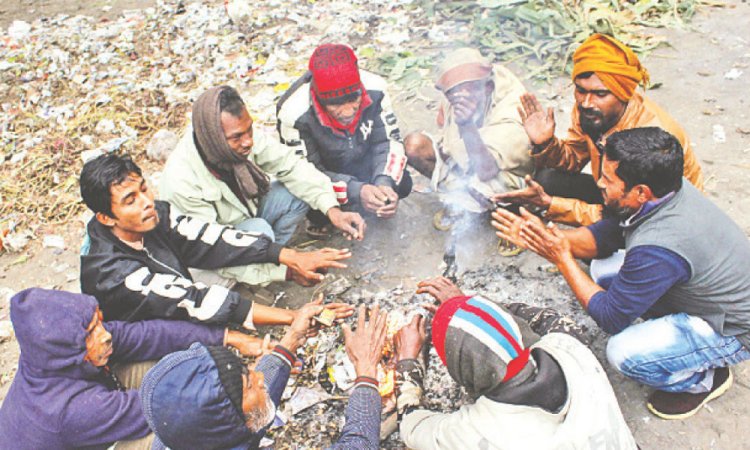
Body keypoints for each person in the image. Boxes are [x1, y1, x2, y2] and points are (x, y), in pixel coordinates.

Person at [493, 127, 750, 419]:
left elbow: (611, 318)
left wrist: (562, 258)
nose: (599, 183)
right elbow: (606, 236)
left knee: (622, 352)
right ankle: (675, 331)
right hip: (707, 288)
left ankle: (701, 381)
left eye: (608, 179)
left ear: (641, 192)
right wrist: (548, 239)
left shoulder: (657, 247)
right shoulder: (667, 187)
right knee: (603, 267)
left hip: (734, 328)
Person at [79, 153, 353, 328]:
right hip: (146, 333)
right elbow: (193, 300)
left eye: (143, 189)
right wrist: (292, 317)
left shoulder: (156, 214)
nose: (146, 202)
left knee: (243, 244)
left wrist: (290, 258)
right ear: (106, 218)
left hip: (174, 289)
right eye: (130, 200)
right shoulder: (111, 273)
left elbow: (212, 239)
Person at [0, 288, 269, 449]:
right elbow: (176, 409)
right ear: (64, 351)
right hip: (82, 426)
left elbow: (150, 335)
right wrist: (244, 380)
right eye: (91, 333)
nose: (104, 335)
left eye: (99, 323)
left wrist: (231, 338)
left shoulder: (50, 354)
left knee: (164, 367)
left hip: (89, 423)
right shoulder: (69, 410)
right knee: (184, 428)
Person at [393, 277, 637, 449]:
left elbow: (412, 427)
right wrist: (474, 308)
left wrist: (407, 361)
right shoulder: (570, 348)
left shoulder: (473, 432)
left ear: (460, 371)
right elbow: (547, 319)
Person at [160, 86, 366, 288]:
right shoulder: (182, 180)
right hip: (215, 247)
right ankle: (263, 268)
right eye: (237, 137)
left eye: (249, 129)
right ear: (214, 137)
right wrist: (287, 272)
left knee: (294, 194)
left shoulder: (239, 136)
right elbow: (211, 247)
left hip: (248, 216)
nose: (248, 141)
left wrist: (333, 210)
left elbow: (291, 165)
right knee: (259, 231)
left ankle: (269, 256)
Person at [494, 33, 703, 226]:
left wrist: (551, 205)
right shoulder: (591, 112)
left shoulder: (648, 138)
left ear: (623, 93)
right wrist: (546, 143)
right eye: (580, 90)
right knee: (546, 178)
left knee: (593, 249)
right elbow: (573, 160)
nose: (586, 102)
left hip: (657, 213)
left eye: (600, 94)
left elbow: (631, 212)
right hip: (616, 187)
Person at [140, 301, 388, 450]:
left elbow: (244, 400)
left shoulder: (183, 435)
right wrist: (366, 371)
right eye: (250, 385)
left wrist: (292, 339)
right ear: (233, 424)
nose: (258, 377)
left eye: (247, 371)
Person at [276, 43, 411, 226]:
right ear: (320, 99)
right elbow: (304, 173)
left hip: (365, 166)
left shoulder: (376, 89)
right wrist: (356, 190)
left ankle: (373, 197)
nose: (348, 112)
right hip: (328, 176)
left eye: (353, 100)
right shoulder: (294, 113)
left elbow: (388, 141)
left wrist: (384, 183)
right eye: (336, 105)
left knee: (401, 183)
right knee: (315, 210)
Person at [404, 48, 533, 222]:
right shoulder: (457, 93)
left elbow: (487, 170)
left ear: (487, 88)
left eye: (466, 93)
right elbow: (445, 134)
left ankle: (514, 217)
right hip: (470, 166)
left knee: (482, 186)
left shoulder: (512, 106)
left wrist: (466, 125)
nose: (458, 99)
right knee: (415, 146)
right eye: (451, 94)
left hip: (508, 174)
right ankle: (462, 202)